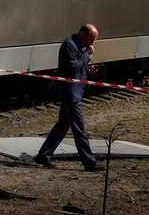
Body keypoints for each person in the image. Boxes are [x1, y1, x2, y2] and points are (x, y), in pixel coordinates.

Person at [34, 23, 102, 171]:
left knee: (62, 126)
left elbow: (78, 66)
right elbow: (71, 67)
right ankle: (90, 162)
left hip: (74, 92)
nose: (92, 43)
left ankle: (43, 155)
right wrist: (87, 55)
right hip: (70, 94)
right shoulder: (69, 45)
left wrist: (87, 66)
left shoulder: (79, 45)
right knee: (79, 129)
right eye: (91, 39)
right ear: (82, 33)